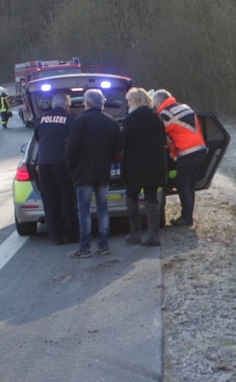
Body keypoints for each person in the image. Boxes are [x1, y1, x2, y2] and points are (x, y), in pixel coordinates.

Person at [65, 89, 123, 258]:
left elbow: (71, 150)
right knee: (103, 209)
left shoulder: (79, 122)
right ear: (102, 103)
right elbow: (118, 150)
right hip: (103, 173)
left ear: (87, 103)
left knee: (84, 210)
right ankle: (103, 245)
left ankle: (84, 248)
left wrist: (73, 170)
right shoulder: (111, 122)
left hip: (83, 175)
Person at [152, 88, 206, 227]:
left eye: (155, 104)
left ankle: (186, 217)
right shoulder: (185, 107)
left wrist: (173, 156)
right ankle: (188, 216)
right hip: (200, 148)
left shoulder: (164, 114)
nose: (155, 107)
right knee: (189, 184)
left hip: (188, 151)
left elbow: (162, 137)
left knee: (181, 183)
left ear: (159, 101)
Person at [121, 87, 168, 246]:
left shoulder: (131, 119)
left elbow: (125, 142)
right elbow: (163, 140)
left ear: (134, 101)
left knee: (131, 197)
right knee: (151, 199)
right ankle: (153, 235)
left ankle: (135, 234)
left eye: (128, 101)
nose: (127, 104)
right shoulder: (156, 117)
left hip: (135, 165)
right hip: (154, 164)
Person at [34, 92, 77, 244]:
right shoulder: (71, 119)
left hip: (44, 165)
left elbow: (39, 139)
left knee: (50, 201)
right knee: (67, 200)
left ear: (53, 104)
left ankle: (56, 237)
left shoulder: (40, 120)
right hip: (63, 164)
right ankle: (72, 235)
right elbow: (75, 142)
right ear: (67, 105)